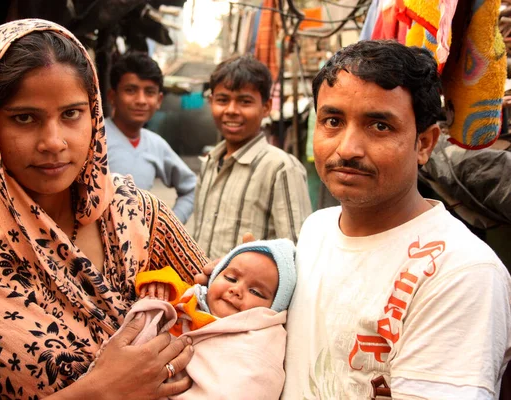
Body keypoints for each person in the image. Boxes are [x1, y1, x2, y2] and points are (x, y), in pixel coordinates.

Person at [0, 19, 210, 400]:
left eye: (71, 114)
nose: (53, 142)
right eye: (24, 118)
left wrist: (242, 275)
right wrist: (97, 392)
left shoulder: (141, 216)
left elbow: (217, 320)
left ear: (94, 114)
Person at [281, 40, 511, 399]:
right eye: (332, 121)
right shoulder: (317, 229)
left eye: (379, 127)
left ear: (424, 144)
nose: (347, 149)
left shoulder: (462, 271)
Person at [101, 238, 296, 399]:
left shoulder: (262, 339)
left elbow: (252, 384)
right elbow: (161, 286)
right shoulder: (193, 300)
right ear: (213, 277)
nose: (236, 290)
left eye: (255, 291)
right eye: (230, 278)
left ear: (275, 307)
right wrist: (160, 285)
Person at [193, 54, 312, 260]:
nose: (231, 110)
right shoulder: (210, 162)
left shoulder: (280, 168)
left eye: (245, 102)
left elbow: (297, 253)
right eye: (222, 100)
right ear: (211, 102)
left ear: (266, 107)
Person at [105, 52, 196, 224]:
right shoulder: (93, 139)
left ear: (159, 100)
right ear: (112, 96)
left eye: (149, 92)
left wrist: (169, 227)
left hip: (140, 248)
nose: (141, 100)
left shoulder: (156, 144)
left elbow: (191, 187)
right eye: (130, 90)